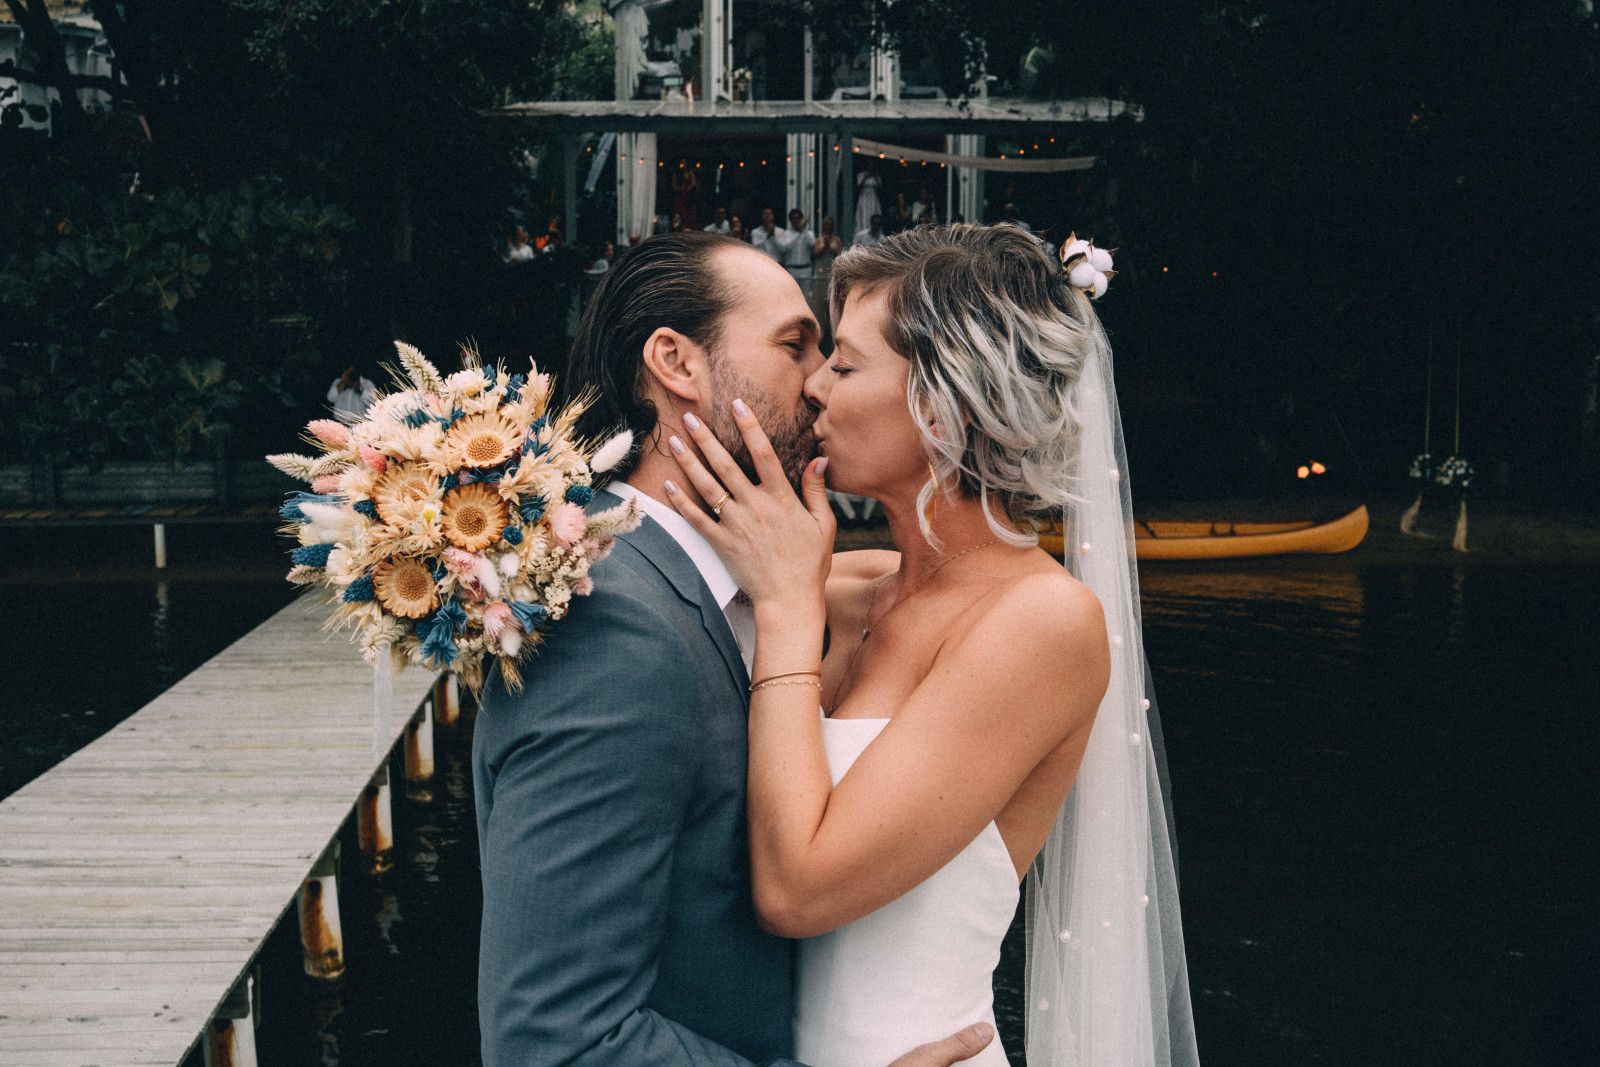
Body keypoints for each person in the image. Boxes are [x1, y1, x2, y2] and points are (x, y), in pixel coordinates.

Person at [658, 224, 1197, 1066]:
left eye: (843, 363)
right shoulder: (848, 584)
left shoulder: (1044, 623)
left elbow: (799, 887)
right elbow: (661, 570)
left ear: (942, 403)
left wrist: (791, 615)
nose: (813, 392)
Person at [474, 230, 998, 1067]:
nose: (822, 385)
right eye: (796, 346)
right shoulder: (618, 632)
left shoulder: (745, 588)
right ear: (677, 363)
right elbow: (554, 1040)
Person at [809, 216, 843, 348]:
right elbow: (817, 252)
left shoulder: (837, 240)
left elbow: (838, 252)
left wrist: (829, 243)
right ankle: (819, 341)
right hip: (819, 279)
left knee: (834, 309)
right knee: (818, 310)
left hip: (832, 278)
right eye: (825, 224)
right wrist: (824, 242)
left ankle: (834, 341)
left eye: (829, 224)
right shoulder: (818, 240)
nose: (827, 226)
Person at [780, 208, 817, 290]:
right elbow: (785, 247)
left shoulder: (809, 233)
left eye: (798, 218)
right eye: (793, 218)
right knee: (791, 294)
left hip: (806, 269)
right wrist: (799, 233)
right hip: (791, 269)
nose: (796, 221)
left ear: (801, 219)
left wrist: (803, 231)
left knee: (806, 296)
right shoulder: (786, 234)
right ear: (790, 220)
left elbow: (812, 244)